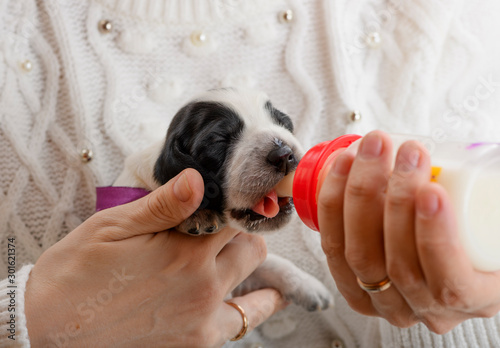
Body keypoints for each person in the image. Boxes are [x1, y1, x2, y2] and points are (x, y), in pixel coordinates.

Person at [1, 0, 500, 347]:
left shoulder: (439, 19)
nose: (284, 153)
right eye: (220, 143)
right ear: (177, 160)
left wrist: (469, 311)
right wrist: (28, 321)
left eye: (280, 125)